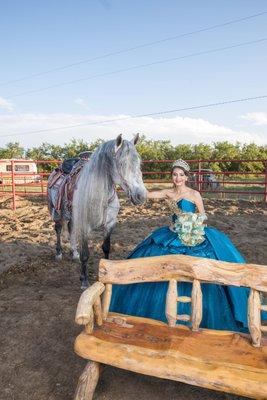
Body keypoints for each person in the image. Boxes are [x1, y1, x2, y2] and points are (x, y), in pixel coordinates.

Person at [110, 159, 254, 333]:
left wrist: (193, 226)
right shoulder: (168, 193)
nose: (177, 178)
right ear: (172, 176)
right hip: (173, 234)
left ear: (186, 177)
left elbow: (203, 217)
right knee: (152, 255)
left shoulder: (194, 194)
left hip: (194, 234)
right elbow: (146, 194)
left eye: (181, 175)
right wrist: (130, 185)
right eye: (174, 174)